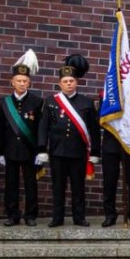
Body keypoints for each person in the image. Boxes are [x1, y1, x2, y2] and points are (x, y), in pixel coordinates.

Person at [37, 53, 97, 227]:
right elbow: (43, 127)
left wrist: (95, 152)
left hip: (78, 153)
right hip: (57, 152)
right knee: (58, 187)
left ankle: (79, 217)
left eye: (71, 81)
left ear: (76, 82)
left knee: (78, 187)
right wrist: (42, 149)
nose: (69, 84)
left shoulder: (86, 102)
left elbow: (93, 129)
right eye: (65, 81)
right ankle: (58, 218)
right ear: (59, 83)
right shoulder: (50, 102)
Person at [99, 45, 130, 230]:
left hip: (129, 140)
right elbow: (99, 116)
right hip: (111, 142)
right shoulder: (106, 92)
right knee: (109, 180)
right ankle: (110, 214)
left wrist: (129, 107)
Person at [0, 50, 44, 226]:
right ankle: (12, 215)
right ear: (12, 82)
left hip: (29, 150)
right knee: (11, 184)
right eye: (19, 81)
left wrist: (41, 150)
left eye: (25, 81)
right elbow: (1, 128)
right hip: (10, 150)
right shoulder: (4, 102)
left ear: (29, 83)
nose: (22, 83)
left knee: (31, 184)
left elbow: (40, 128)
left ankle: (30, 215)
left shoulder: (37, 102)